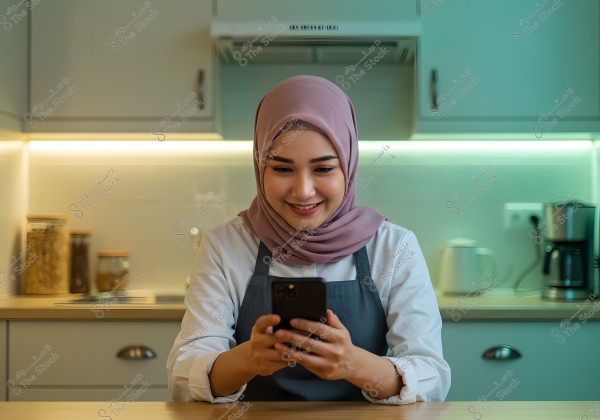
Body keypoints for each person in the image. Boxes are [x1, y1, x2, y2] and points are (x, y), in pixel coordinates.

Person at [167, 75, 450, 404]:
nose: (303, 191)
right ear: (260, 168)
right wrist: (248, 359)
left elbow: (432, 378)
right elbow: (182, 379)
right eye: (283, 169)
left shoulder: (393, 247)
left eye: (324, 169)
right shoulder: (225, 246)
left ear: (348, 166)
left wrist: (353, 364)